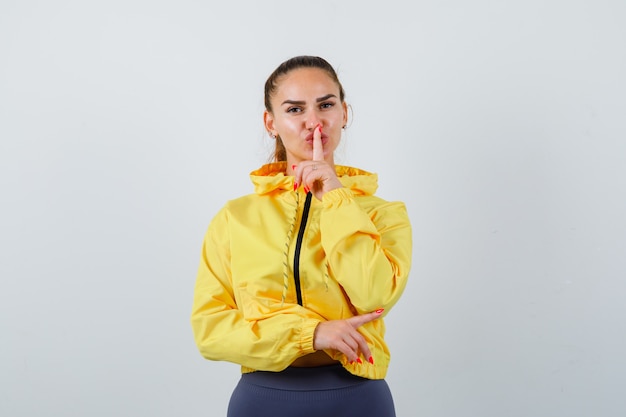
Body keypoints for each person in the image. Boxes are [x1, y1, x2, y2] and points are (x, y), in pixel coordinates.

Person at [190, 55, 412, 417]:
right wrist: (311, 334)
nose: (314, 122)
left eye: (326, 104)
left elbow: (374, 294)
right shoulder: (235, 217)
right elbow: (210, 331)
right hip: (262, 398)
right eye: (295, 109)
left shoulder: (384, 214)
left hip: (356, 398)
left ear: (344, 113)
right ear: (270, 122)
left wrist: (337, 198)